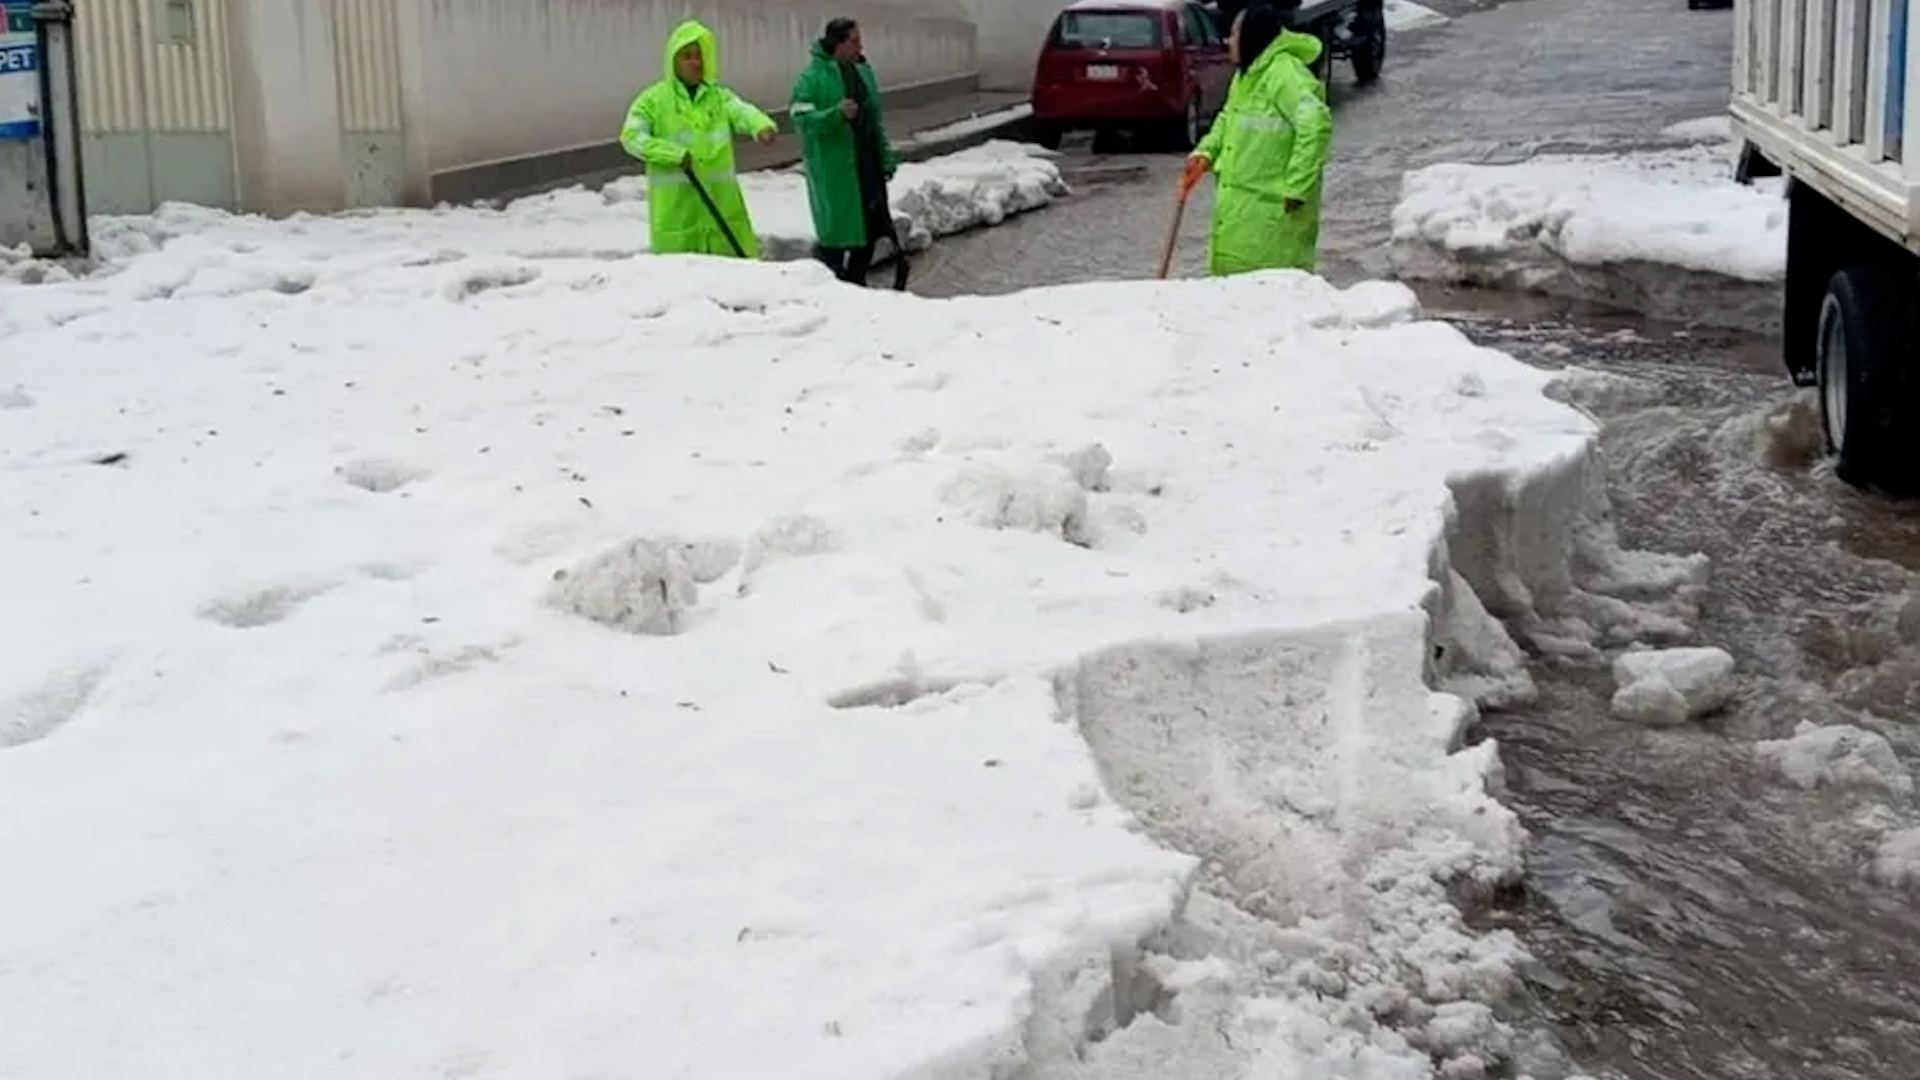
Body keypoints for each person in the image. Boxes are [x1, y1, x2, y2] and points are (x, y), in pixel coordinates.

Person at [1181, 2, 1333, 275]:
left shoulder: (1284, 75)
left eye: (1235, 33)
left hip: (1272, 225)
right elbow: (1229, 117)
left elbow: (1315, 124)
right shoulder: (1246, 77)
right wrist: (1205, 153)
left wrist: (1297, 188)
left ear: (1253, 36)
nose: (1229, 40)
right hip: (1241, 221)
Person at [620, 19, 779, 259]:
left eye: (699, 56)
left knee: (731, 277)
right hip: (679, 215)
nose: (695, 62)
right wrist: (672, 154)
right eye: (687, 56)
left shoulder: (718, 97)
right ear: (673, 61)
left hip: (720, 210)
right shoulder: (652, 101)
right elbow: (631, 136)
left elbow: (742, 110)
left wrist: (761, 125)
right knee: (684, 284)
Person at [791, 17, 901, 285]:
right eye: (854, 41)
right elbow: (801, 119)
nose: (860, 46)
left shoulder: (863, 72)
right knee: (837, 235)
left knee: (872, 228)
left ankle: (856, 279)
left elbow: (875, 120)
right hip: (835, 170)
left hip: (867, 165)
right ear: (837, 44)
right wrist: (834, 114)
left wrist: (885, 157)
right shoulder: (812, 78)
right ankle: (838, 285)